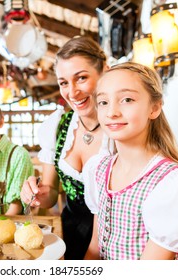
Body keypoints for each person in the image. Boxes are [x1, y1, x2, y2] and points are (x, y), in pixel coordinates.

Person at [84, 62, 178, 260]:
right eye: (103, 102)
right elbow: (94, 248)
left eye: (126, 99)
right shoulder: (99, 169)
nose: (112, 112)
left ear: (154, 108)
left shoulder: (173, 185)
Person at [20, 36, 113, 259]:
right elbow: (51, 193)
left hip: (114, 241)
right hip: (69, 233)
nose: (71, 92)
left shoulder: (120, 127)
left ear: (105, 73)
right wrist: (37, 193)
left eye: (81, 78)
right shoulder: (58, 127)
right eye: (63, 83)